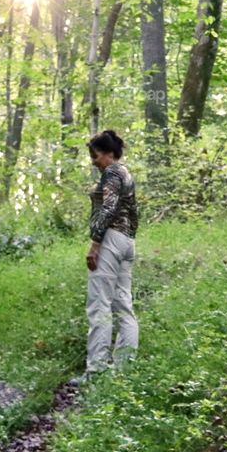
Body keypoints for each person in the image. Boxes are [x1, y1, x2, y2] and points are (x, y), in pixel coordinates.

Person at [72, 129, 139, 384]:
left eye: (95, 155)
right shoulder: (126, 174)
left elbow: (108, 208)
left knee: (99, 304)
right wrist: (128, 238)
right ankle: (125, 370)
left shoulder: (111, 173)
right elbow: (133, 214)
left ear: (109, 153)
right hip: (126, 241)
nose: (93, 160)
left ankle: (96, 369)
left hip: (110, 239)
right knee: (123, 305)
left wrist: (95, 243)